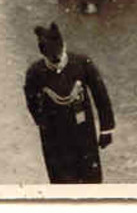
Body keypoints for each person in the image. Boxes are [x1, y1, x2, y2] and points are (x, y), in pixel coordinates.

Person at [24, 22, 114, 184]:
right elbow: (31, 102)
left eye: (58, 56)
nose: (56, 61)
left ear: (63, 46)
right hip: (55, 140)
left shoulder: (82, 63)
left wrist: (106, 129)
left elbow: (101, 96)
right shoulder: (35, 73)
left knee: (91, 181)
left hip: (84, 134)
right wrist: (44, 123)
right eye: (51, 59)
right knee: (62, 184)